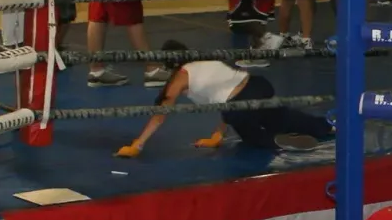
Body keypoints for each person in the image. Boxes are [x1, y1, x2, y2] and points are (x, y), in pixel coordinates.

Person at [116, 41, 333, 157]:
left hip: (238, 105)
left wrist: (138, 144)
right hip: (258, 85)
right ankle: (328, 126)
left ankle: (273, 141)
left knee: (250, 135)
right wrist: (218, 133)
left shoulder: (179, 78)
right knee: (281, 117)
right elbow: (228, 94)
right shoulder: (205, 61)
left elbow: (160, 116)